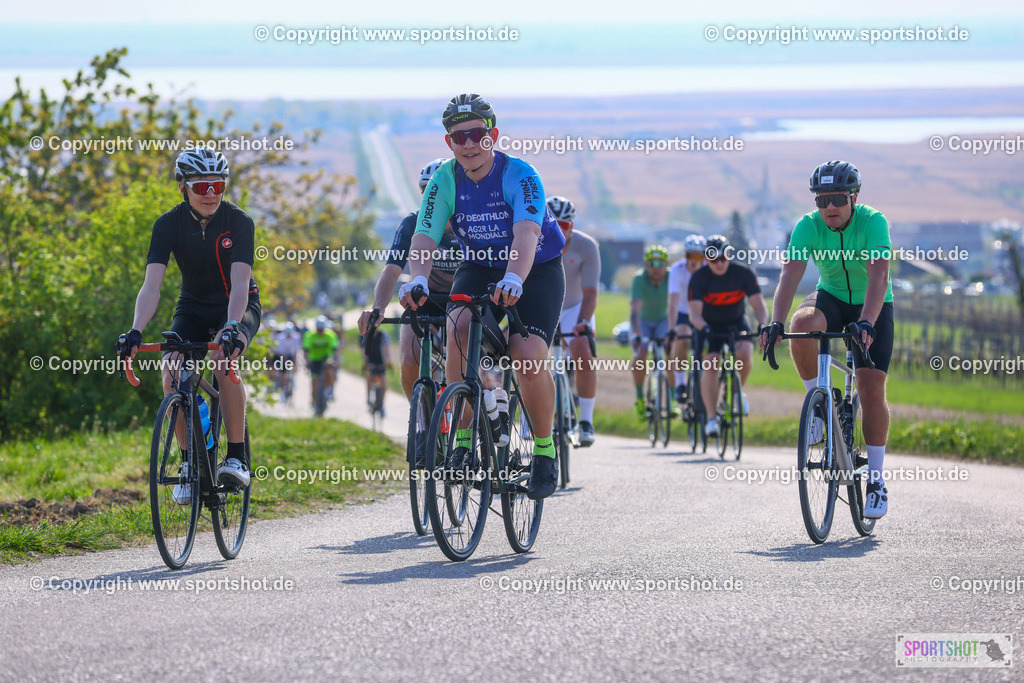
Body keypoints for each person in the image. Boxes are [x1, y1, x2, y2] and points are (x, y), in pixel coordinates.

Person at [399, 93, 566, 500]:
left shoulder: (521, 175)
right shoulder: (444, 181)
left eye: (477, 134)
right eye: (460, 137)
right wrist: (418, 279)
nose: (469, 144)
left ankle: (545, 450)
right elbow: (424, 237)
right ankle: (462, 442)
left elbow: (526, 233)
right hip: (478, 265)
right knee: (457, 327)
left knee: (527, 357)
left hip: (534, 267)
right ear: (449, 143)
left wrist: (514, 278)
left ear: (493, 135)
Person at [117, 147, 260, 502]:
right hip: (193, 308)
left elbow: (240, 284)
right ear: (183, 187)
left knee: (222, 361)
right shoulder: (168, 225)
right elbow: (152, 286)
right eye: (201, 186)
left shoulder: (239, 221)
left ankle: (237, 457)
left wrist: (232, 326)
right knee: (171, 370)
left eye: (217, 185)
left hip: (237, 305)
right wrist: (136, 331)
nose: (211, 193)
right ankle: (189, 463)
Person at [759, 160, 894, 518]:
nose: (830, 207)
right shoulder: (807, 226)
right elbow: (790, 274)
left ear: (854, 197)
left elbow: (879, 276)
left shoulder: (873, 222)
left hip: (872, 303)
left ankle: (876, 481)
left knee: (870, 388)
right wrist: (775, 322)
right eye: (822, 200)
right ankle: (820, 405)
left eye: (837, 199)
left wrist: (867, 322)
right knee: (802, 323)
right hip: (831, 296)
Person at [358, 158, 461, 398]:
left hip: (463, 298)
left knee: (465, 364)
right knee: (409, 359)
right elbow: (391, 270)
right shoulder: (412, 223)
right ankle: (421, 414)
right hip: (426, 298)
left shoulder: (470, 223)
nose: (435, 197)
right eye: (428, 191)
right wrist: (378, 308)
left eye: (443, 190)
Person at [689, 234, 768, 438]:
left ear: (729, 255)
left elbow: (759, 306)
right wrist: (704, 327)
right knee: (711, 364)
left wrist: (762, 325)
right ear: (706, 259)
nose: (719, 263)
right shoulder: (699, 278)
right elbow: (694, 314)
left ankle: (736, 392)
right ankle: (711, 418)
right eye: (713, 259)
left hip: (736, 322)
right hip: (710, 326)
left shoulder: (743, 273)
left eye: (723, 258)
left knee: (745, 352)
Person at [548, 195, 600, 447]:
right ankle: (527, 421)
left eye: (564, 225)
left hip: (575, 307)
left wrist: (583, 322)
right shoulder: (532, 241)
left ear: (572, 225)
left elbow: (590, 293)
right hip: (545, 304)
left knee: (583, 353)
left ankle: (586, 421)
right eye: (552, 224)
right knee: (527, 358)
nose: (559, 230)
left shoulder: (586, 246)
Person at [630, 245, 670, 415]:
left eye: (660, 263)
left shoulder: (671, 277)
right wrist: (636, 332)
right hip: (643, 321)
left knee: (671, 351)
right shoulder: (639, 278)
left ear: (666, 265)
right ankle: (640, 397)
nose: (656, 268)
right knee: (641, 354)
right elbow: (635, 309)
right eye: (652, 263)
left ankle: (673, 399)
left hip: (663, 320)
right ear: (646, 265)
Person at [667, 235, 705, 402]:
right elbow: (673, 302)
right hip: (683, 312)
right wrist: (671, 329)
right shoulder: (677, 270)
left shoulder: (708, 269)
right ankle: (680, 383)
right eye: (690, 256)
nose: (693, 261)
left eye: (697, 256)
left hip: (703, 312)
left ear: (703, 257)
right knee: (682, 337)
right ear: (685, 256)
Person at [303, 315, 340, 414]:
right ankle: (314, 402)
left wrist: (336, 360)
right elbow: (306, 351)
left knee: (330, 371)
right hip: (314, 359)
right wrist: (307, 362)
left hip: (326, 358)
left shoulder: (330, 335)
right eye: (318, 329)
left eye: (322, 329)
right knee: (314, 383)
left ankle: (328, 391)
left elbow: (335, 350)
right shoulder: (309, 335)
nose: (320, 331)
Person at [362, 326, 392, 416]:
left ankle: (381, 405)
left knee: (383, 385)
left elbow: (386, 349)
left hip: (380, 361)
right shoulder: (365, 335)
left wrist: (388, 362)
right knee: (369, 377)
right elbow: (363, 351)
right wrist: (366, 363)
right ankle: (368, 396)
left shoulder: (382, 335)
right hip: (370, 361)